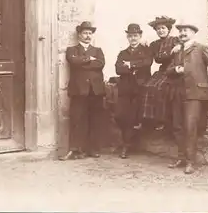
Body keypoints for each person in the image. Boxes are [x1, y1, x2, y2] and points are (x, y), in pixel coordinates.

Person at [165, 21, 208, 174]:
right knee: (177, 127)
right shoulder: (176, 51)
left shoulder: (201, 48)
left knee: (190, 127)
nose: (182, 33)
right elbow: (167, 71)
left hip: (195, 94)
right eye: (181, 31)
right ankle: (181, 157)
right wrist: (175, 69)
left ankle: (190, 162)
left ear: (193, 33)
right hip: (178, 93)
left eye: (186, 31)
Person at [60, 21, 106, 161]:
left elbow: (100, 64)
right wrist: (88, 59)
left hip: (95, 91)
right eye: (85, 33)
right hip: (79, 90)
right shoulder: (71, 50)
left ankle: (93, 149)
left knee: (95, 120)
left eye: (90, 33)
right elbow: (73, 62)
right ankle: (75, 150)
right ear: (79, 34)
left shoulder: (98, 51)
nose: (87, 36)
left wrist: (84, 62)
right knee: (77, 119)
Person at [114, 23, 153, 159]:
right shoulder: (123, 53)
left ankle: (127, 145)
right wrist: (134, 67)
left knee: (134, 117)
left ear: (140, 36)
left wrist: (130, 64)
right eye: (130, 36)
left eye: (135, 36)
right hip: (125, 88)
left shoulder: (146, 51)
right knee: (119, 115)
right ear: (127, 37)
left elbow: (147, 63)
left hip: (140, 87)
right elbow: (118, 69)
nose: (133, 38)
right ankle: (129, 142)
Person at [138, 16, 182, 132]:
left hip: (173, 70)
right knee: (147, 86)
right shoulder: (154, 44)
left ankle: (161, 120)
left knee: (160, 88)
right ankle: (148, 120)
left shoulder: (175, 40)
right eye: (158, 29)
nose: (160, 31)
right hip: (163, 70)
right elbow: (150, 56)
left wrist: (179, 46)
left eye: (163, 28)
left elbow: (184, 47)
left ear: (168, 29)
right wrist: (142, 44)